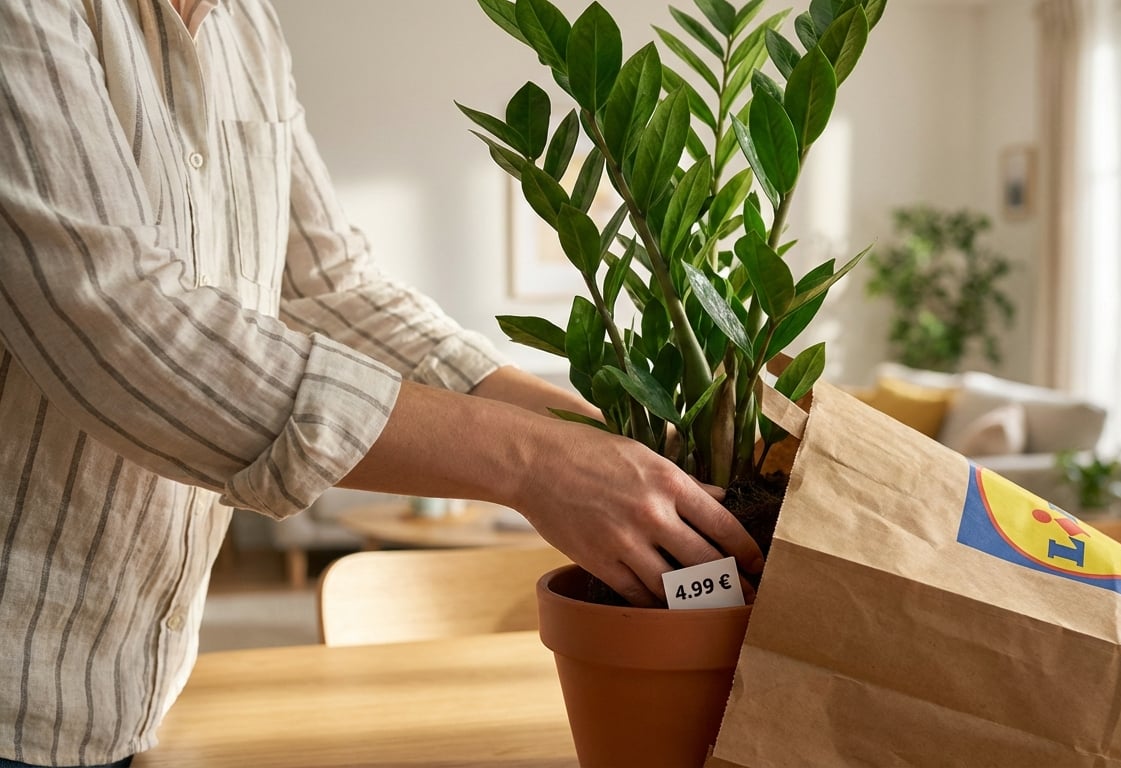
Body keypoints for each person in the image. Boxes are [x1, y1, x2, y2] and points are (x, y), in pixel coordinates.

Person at [0, 1, 764, 766]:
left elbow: (329, 289)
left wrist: (602, 439)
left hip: (127, 686)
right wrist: (535, 462)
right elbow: (114, 323)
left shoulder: (246, 27)